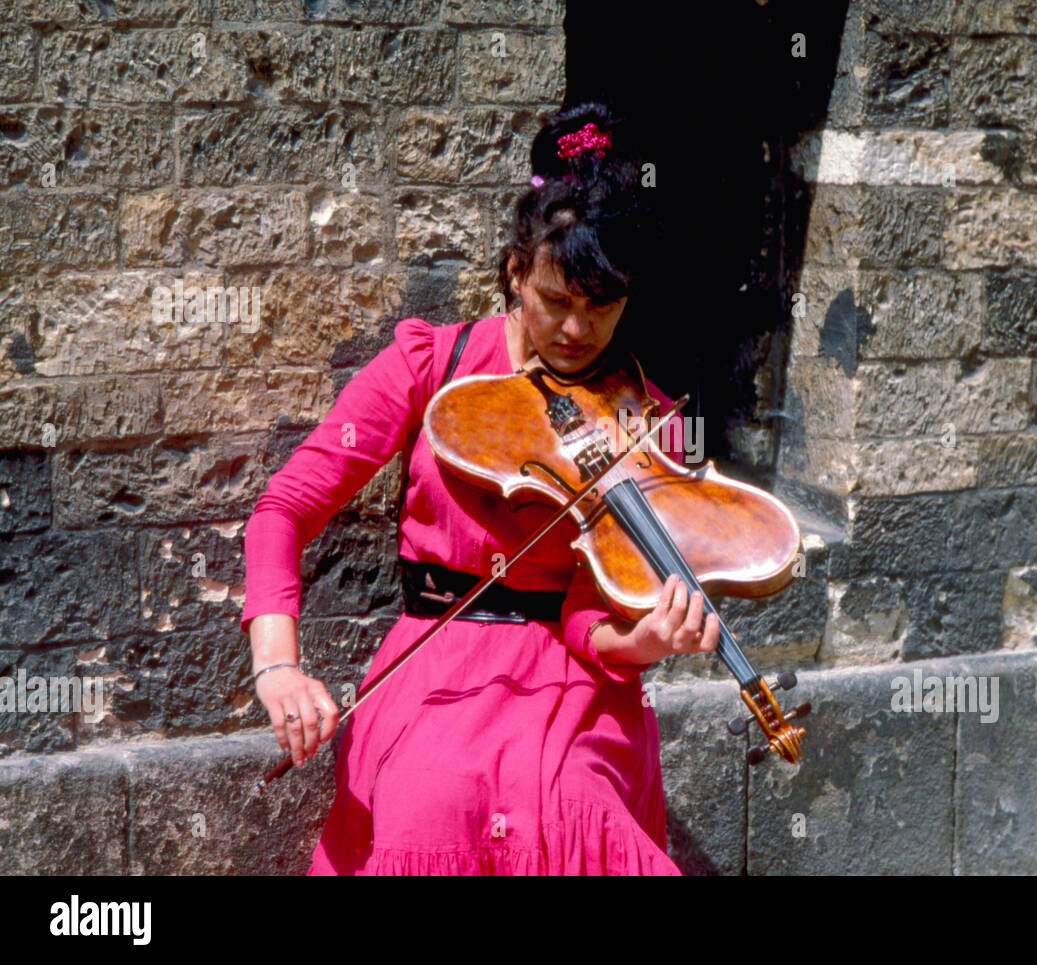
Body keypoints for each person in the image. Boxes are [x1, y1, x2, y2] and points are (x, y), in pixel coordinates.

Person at [241, 103, 720, 875]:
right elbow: (284, 508)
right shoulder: (430, 366)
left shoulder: (644, 418)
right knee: (432, 800)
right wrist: (279, 665)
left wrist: (646, 642)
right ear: (514, 271)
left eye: (603, 307)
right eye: (556, 299)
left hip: (576, 684)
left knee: (570, 806)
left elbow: (593, 620)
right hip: (433, 664)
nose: (576, 330)